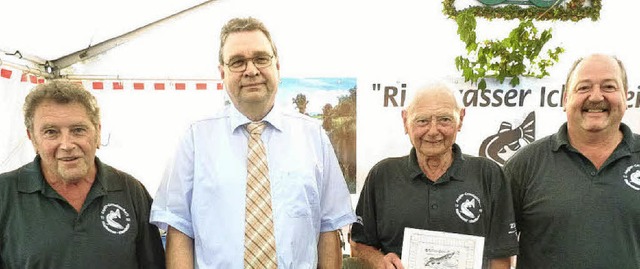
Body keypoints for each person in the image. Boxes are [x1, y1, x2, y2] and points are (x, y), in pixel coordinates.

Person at [150, 17, 356, 269]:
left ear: (277, 66)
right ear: (222, 73)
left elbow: (328, 226)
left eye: (261, 58)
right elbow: (179, 228)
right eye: (238, 62)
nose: (251, 70)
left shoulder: (313, 136)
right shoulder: (195, 138)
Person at [350, 81, 518, 269]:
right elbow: (358, 244)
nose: (433, 131)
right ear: (405, 121)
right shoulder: (382, 176)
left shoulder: (489, 175)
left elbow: (502, 256)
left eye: (444, 119)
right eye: (422, 121)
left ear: (460, 119)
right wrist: (378, 261)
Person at [0, 80, 166, 269]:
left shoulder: (130, 190)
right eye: (51, 132)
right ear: (33, 139)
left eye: (78, 130)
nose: (67, 144)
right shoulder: (5, 194)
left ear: (98, 132)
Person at [504, 53, 640, 268]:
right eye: (583, 87)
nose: (596, 97)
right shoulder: (525, 165)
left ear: (626, 97)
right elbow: (494, 246)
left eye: (609, 87)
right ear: (565, 99)